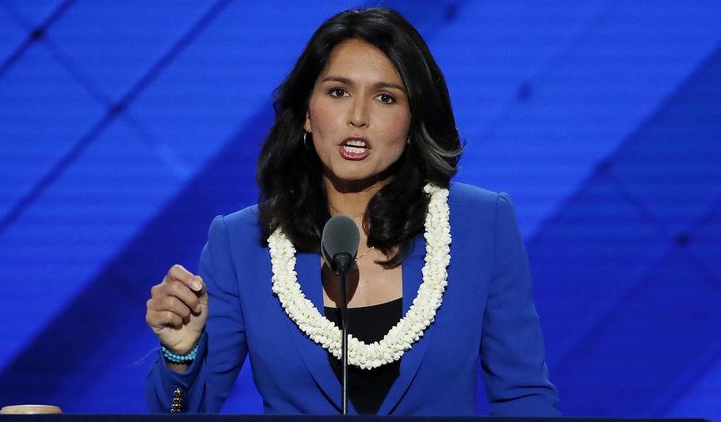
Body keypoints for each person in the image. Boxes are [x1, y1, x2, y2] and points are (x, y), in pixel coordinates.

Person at [145, 7, 558, 416]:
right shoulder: (241, 243)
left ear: (413, 121)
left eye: (385, 97)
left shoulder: (482, 224)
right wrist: (181, 355)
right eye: (338, 92)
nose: (358, 117)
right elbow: (183, 412)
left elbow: (524, 398)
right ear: (307, 113)